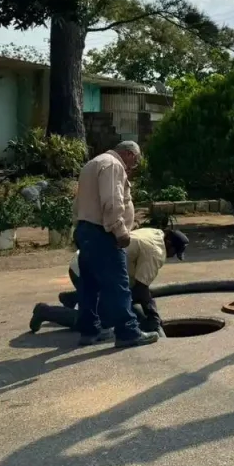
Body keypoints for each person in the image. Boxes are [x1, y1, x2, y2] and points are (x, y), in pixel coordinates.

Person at [72, 141, 158, 348]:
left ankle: (90, 331)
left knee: (89, 286)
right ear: (128, 154)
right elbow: (112, 201)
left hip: (85, 229)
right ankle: (128, 332)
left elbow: (77, 203)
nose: (132, 167)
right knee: (118, 285)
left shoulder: (92, 164)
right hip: (104, 232)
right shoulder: (113, 165)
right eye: (134, 162)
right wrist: (120, 231)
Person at [29, 227, 189, 337]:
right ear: (168, 244)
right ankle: (44, 311)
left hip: (83, 262)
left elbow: (135, 290)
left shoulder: (156, 233)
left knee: (124, 300)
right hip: (87, 271)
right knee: (102, 321)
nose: (172, 257)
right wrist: (153, 315)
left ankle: (75, 297)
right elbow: (141, 288)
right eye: (175, 252)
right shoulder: (157, 252)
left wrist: (148, 311)